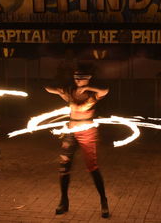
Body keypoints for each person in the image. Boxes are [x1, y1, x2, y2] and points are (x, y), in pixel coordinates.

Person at [45, 65, 110, 218]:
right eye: (76, 78)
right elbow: (47, 88)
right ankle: (64, 200)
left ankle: (103, 200)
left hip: (88, 132)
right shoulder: (70, 92)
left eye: (82, 78)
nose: (78, 80)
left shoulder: (92, 93)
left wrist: (88, 87)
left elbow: (105, 90)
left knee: (92, 167)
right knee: (64, 167)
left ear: (88, 78)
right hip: (71, 133)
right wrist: (60, 88)